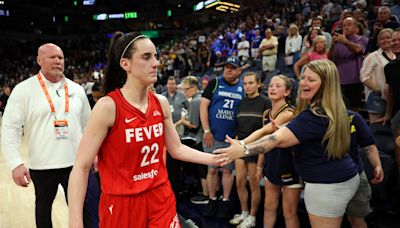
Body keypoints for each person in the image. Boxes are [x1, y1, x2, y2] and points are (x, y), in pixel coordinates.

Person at [67, 32, 222, 228]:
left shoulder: (161, 103)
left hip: (160, 196)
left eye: (156, 56)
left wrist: (215, 158)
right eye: (147, 57)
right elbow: (81, 167)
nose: (156, 63)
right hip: (123, 204)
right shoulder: (108, 107)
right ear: (126, 64)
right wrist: (75, 221)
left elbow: (177, 149)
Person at [216, 60, 361, 228]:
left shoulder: (309, 115)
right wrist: (256, 160)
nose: (304, 82)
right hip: (334, 176)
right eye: (303, 78)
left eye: (311, 79)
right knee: (271, 206)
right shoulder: (322, 111)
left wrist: (243, 148)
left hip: (325, 183)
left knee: (289, 212)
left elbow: (272, 139)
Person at [1, 43, 91, 228]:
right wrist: (15, 163)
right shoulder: (23, 90)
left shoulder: (77, 90)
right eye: (52, 57)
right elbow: (10, 128)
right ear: (39, 60)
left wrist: (94, 155)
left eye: (61, 58)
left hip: (76, 164)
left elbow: (89, 127)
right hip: (42, 165)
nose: (58, 61)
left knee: (82, 212)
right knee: (43, 214)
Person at [240, 75, 301, 228]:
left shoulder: (290, 113)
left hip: (290, 165)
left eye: (278, 86)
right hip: (272, 164)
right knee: (269, 206)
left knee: (289, 212)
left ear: (287, 92)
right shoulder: (267, 113)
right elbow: (264, 144)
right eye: (271, 85)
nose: (272, 88)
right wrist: (260, 166)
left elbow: (264, 132)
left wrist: (242, 145)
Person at [200, 56, 244, 219]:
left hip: (231, 139)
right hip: (212, 136)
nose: (228, 70)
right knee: (211, 170)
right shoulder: (215, 83)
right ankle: (212, 199)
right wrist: (206, 131)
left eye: (232, 67)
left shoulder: (243, 87)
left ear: (239, 71)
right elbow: (203, 107)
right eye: (226, 67)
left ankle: (225, 200)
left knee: (227, 171)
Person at [229, 72, 271, 228]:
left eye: (251, 83)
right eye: (245, 83)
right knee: (239, 182)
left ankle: (252, 217)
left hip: (255, 148)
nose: (247, 86)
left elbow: (266, 130)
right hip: (240, 146)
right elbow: (239, 127)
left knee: (253, 184)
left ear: (258, 84)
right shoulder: (241, 103)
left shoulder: (266, 102)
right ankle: (244, 212)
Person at [174, 76, 209, 205]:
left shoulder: (195, 101)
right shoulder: (200, 98)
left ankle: (205, 194)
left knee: (202, 169)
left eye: (186, 89)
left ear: (194, 87)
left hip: (199, 138)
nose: (184, 92)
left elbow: (193, 124)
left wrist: (182, 121)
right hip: (202, 137)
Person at [331, 17, 368, 110]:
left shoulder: (362, 39)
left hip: (355, 80)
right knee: (340, 109)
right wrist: (333, 45)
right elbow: (330, 57)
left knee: (354, 110)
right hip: (340, 81)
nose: (346, 27)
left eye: (349, 25)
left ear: (356, 27)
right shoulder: (338, 41)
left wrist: (345, 42)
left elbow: (357, 50)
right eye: (344, 25)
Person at [360, 28, 395, 124]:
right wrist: (377, 90)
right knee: (377, 128)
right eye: (382, 38)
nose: (386, 40)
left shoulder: (396, 56)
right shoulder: (372, 56)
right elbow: (364, 76)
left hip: (394, 98)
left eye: (388, 37)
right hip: (377, 98)